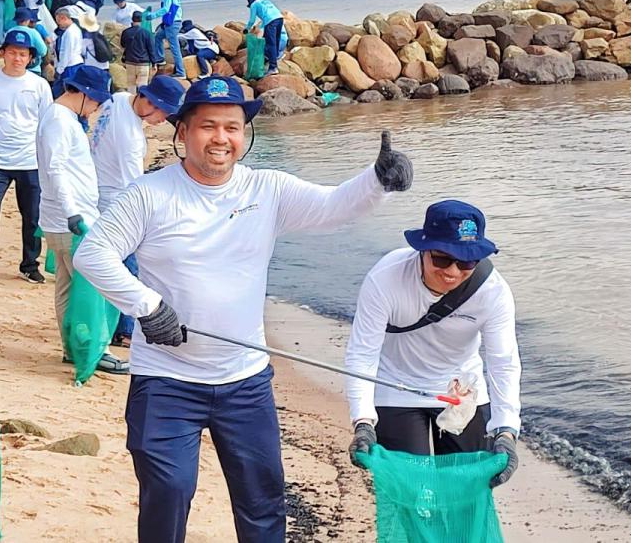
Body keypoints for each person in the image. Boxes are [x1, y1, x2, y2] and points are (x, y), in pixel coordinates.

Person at [72, 75, 414, 542]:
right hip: (166, 381)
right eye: (208, 126)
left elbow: (334, 206)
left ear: (244, 134)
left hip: (245, 383)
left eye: (232, 127)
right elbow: (93, 255)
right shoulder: (149, 194)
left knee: (263, 500)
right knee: (168, 491)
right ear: (183, 132)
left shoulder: (267, 189)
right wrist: (147, 306)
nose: (221, 138)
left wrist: (377, 180)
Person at [344, 200, 520, 488]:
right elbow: (362, 354)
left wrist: (506, 431)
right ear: (423, 250)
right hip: (396, 389)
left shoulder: (493, 291)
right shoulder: (385, 278)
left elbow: (504, 363)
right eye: (441, 258)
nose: (452, 271)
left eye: (466, 261)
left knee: (465, 492)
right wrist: (363, 422)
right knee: (413, 494)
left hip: (462, 392)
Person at [36, 66, 129, 375]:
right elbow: (56, 169)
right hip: (71, 222)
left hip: (61, 220)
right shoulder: (59, 122)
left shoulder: (62, 118)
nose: (98, 107)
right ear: (84, 94)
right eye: (96, 101)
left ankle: (71, 349)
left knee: (66, 287)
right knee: (90, 291)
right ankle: (92, 351)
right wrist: (72, 212)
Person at [89, 75, 182, 346]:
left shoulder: (118, 100)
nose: (163, 119)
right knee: (131, 268)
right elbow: (135, 189)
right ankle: (126, 331)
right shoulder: (129, 138)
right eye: (162, 111)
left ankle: (119, 326)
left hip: (98, 192)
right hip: (115, 202)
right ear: (147, 101)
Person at [0, 29, 53, 284]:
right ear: (2, 53)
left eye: (23, 54)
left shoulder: (39, 85)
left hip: (30, 161)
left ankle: (29, 265)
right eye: (12, 52)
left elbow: (48, 125)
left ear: (30, 58)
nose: (17, 58)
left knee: (33, 217)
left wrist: (48, 159)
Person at [143, 0, 183, 78]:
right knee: (158, 36)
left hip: (173, 24)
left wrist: (152, 15)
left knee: (175, 48)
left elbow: (166, 9)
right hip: (170, 24)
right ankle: (160, 58)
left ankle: (181, 72)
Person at [244, 0, 285, 75]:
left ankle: (273, 67)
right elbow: (266, 18)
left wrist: (247, 29)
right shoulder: (266, 2)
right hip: (279, 18)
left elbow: (252, 20)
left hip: (271, 21)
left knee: (270, 44)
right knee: (276, 40)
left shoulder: (254, 5)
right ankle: (275, 58)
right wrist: (262, 27)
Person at [52, 6, 84, 98]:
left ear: (63, 18)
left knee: (68, 93)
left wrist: (59, 70)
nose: (58, 24)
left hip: (70, 66)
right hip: (74, 64)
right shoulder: (75, 29)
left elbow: (66, 53)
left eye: (58, 21)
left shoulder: (70, 33)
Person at [9, 7, 49, 75]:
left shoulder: (9, 32)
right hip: (32, 69)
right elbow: (43, 51)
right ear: (28, 20)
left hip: (14, 68)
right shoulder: (33, 32)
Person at [121, 11, 154, 87]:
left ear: (132, 19)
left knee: (131, 86)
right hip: (143, 63)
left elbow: (123, 45)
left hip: (129, 62)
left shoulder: (126, 32)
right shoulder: (146, 33)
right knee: (142, 87)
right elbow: (151, 49)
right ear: (141, 20)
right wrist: (154, 63)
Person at [78, 12, 110, 88]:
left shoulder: (85, 39)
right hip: (105, 66)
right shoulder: (101, 35)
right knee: (105, 88)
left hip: (92, 68)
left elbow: (82, 52)